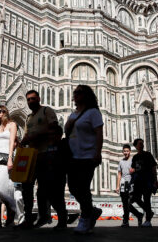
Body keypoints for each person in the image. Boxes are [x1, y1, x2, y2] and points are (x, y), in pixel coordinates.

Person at [18, 89, 60, 229]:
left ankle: (44, 216)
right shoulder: (28, 118)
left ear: (39, 98)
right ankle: (28, 218)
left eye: (33, 98)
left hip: (45, 154)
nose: (30, 101)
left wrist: (37, 136)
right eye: (28, 99)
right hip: (30, 156)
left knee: (43, 188)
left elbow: (54, 128)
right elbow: (26, 135)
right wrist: (21, 142)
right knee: (26, 187)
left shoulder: (46, 111)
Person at [65, 84, 104, 235]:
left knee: (83, 187)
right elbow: (67, 131)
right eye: (75, 92)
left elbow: (99, 133)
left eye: (79, 92)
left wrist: (98, 152)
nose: (76, 95)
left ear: (86, 95)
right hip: (73, 156)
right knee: (73, 187)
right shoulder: (73, 114)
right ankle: (92, 211)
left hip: (88, 156)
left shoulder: (93, 112)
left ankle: (85, 217)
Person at [0, 105, 19, 228]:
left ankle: (11, 209)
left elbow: (12, 142)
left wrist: (10, 158)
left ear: (6, 112)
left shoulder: (12, 125)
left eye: (1, 111)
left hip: (6, 159)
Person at [129, 138, 157, 228]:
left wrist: (155, 180)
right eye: (140, 144)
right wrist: (132, 173)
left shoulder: (148, 155)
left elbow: (153, 167)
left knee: (147, 200)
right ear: (136, 146)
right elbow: (133, 169)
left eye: (142, 143)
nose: (142, 145)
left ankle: (148, 220)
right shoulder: (135, 157)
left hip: (147, 180)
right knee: (134, 199)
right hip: (138, 182)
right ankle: (147, 213)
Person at [117, 143, 142, 227]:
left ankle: (131, 218)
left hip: (132, 184)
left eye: (127, 151)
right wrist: (117, 186)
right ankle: (132, 218)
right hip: (123, 184)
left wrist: (134, 170)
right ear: (122, 152)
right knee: (125, 203)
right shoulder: (121, 161)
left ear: (130, 151)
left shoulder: (133, 160)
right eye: (124, 151)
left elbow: (139, 169)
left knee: (128, 202)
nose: (126, 152)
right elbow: (119, 174)